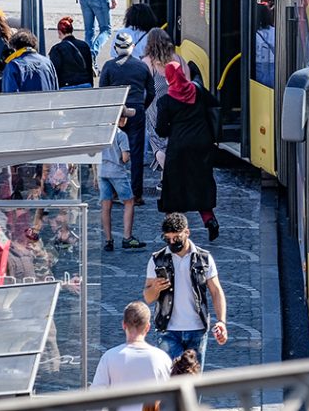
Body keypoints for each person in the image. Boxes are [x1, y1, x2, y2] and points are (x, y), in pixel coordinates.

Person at [143, 213, 227, 368]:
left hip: (197, 329)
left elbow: (216, 291)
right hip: (168, 330)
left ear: (187, 232)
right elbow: (148, 298)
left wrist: (221, 321)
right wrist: (155, 288)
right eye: (167, 239)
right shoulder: (157, 259)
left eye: (176, 238)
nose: (172, 242)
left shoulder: (204, 258)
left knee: (193, 382)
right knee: (172, 381)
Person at [155, 62, 220, 240]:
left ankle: (173, 230)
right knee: (201, 183)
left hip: (179, 147)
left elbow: (160, 129)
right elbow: (214, 104)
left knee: (174, 188)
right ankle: (210, 220)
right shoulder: (197, 91)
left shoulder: (165, 101)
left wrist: (174, 130)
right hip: (202, 144)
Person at [100, 32, 155, 206]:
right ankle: (136, 194)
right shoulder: (141, 67)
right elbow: (151, 92)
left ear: (116, 48)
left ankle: (116, 192)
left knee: (115, 152)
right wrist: (141, 107)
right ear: (132, 47)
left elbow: (103, 93)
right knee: (137, 153)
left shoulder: (109, 66)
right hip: (137, 109)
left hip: (116, 111)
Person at [91, 301, 172, 411]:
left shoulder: (109, 357)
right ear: (147, 327)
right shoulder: (162, 358)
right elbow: (170, 399)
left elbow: (95, 399)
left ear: (124, 325)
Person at [99, 108, 146, 251]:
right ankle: (127, 237)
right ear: (119, 119)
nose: (126, 120)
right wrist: (126, 158)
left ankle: (108, 240)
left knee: (106, 206)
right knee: (129, 202)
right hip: (117, 172)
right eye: (124, 117)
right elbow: (125, 157)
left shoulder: (102, 134)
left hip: (102, 172)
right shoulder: (121, 135)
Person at [142, 28, 179, 173]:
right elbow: (188, 83)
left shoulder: (147, 62)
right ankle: (166, 181)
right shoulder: (177, 59)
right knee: (171, 142)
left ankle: (170, 174)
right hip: (175, 105)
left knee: (158, 144)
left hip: (155, 108)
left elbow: (142, 88)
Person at [49, 16, 95, 89]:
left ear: (59, 32)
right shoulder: (84, 45)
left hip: (66, 86)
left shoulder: (57, 49)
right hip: (85, 84)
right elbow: (89, 68)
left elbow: (55, 72)